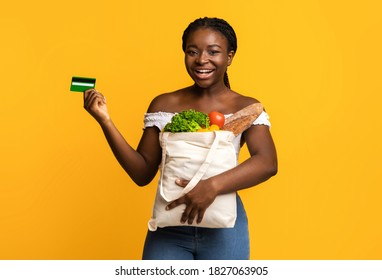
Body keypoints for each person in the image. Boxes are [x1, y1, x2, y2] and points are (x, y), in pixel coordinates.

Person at [83, 17, 277, 260]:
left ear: (229, 57)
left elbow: (267, 162)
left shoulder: (246, 107)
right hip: (169, 228)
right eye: (192, 51)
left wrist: (211, 187)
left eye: (213, 52)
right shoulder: (165, 104)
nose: (201, 60)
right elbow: (142, 173)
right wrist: (105, 121)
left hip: (224, 228)